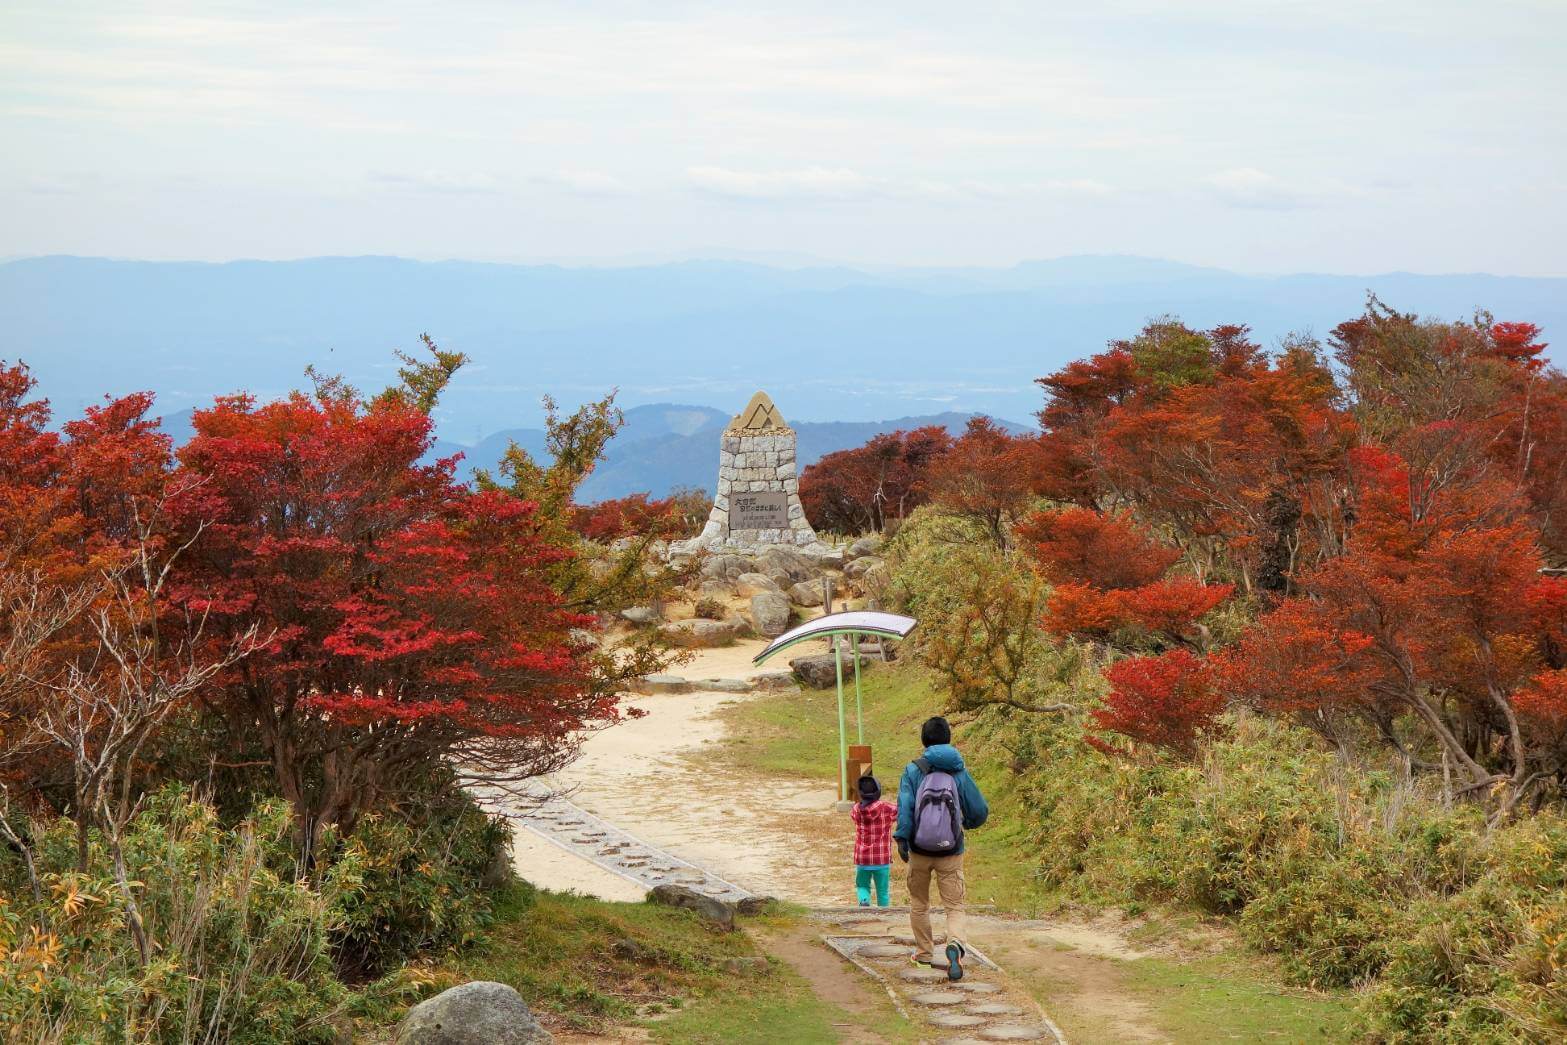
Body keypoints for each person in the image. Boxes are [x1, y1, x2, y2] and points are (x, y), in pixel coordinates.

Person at [893, 715, 989, 981]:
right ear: (948, 739)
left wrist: (903, 838)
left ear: (924, 741)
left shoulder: (913, 770)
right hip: (951, 851)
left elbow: (904, 807)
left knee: (919, 902)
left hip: (919, 851)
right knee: (954, 905)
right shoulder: (958, 771)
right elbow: (979, 809)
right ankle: (955, 945)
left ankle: (924, 954)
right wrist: (964, 824)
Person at [849, 774, 897, 907]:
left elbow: (853, 816)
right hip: (881, 859)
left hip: (862, 858)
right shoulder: (886, 808)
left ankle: (864, 901)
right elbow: (900, 811)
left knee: (862, 886)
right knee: (883, 892)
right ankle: (884, 915)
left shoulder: (856, 810)